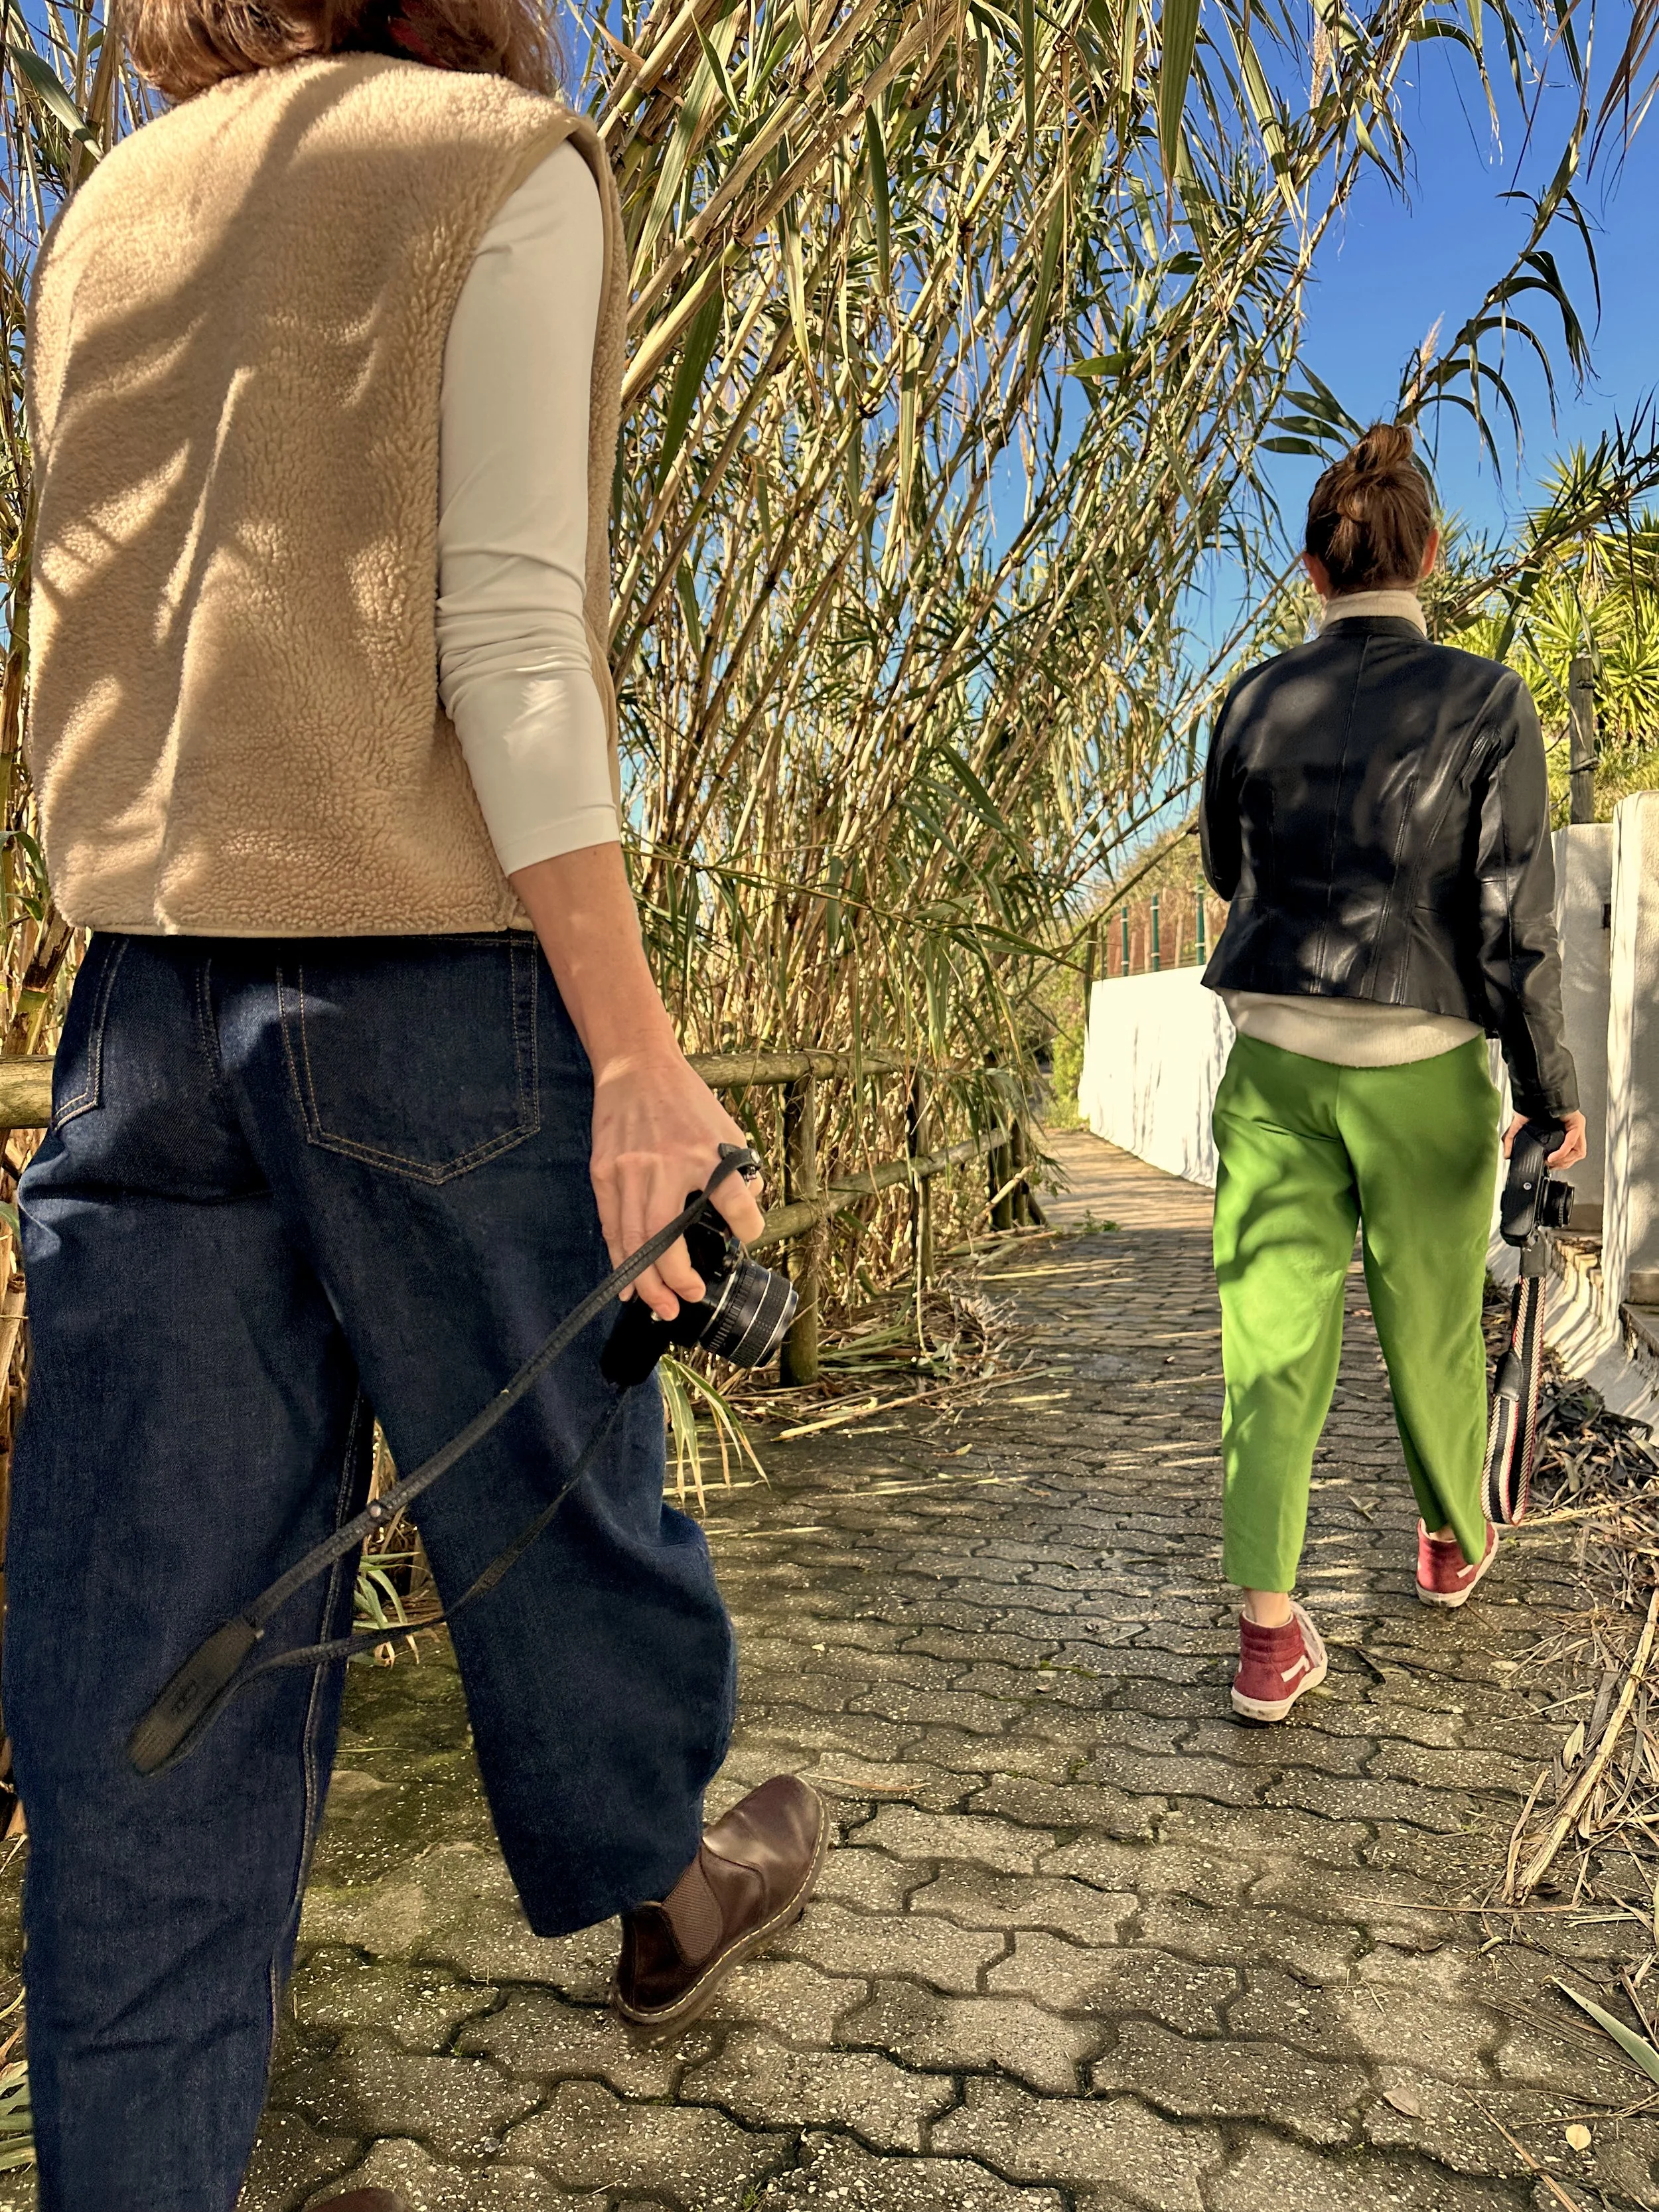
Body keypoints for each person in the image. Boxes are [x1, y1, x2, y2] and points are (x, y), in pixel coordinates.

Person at [5, 1, 827, 2204]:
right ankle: (664, 1889)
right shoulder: (493, 158)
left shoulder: (106, 215)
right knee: (560, 1494)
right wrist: (641, 1056)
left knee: (151, 1661)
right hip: (433, 995)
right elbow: (512, 639)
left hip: (144, 1004)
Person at [1198, 423, 1585, 1725]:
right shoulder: (1487, 700)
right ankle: (1444, 1544)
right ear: (1429, 554)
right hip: (1423, 1071)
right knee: (1427, 1325)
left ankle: (1264, 1639)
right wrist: (1549, 1089)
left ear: (1310, 568)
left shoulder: (1253, 698)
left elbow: (1220, 871)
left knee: (1267, 1348)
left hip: (1273, 1068)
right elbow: (1506, 919)